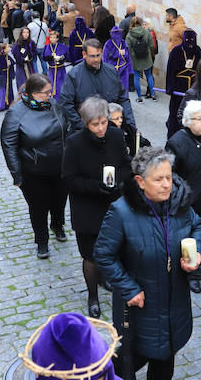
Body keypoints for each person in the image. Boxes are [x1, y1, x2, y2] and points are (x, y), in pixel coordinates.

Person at [94, 146, 201, 380]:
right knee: (130, 360)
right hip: (140, 308)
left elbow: (196, 225)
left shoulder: (179, 202)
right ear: (140, 182)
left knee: (165, 362)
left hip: (175, 303)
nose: (167, 185)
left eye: (169, 177)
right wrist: (129, 288)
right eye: (158, 179)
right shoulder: (121, 212)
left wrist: (196, 251)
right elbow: (103, 254)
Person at [62, 97, 132, 318]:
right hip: (87, 210)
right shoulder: (74, 143)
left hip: (114, 206)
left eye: (104, 122)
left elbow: (126, 165)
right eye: (95, 124)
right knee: (91, 255)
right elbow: (69, 178)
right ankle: (93, 295)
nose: (101, 128)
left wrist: (117, 182)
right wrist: (94, 186)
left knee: (115, 250)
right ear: (85, 123)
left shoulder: (116, 135)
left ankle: (108, 278)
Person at [0, 74, 68, 259]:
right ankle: (42, 240)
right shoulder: (16, 114)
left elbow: (67, 130)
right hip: (33, 172)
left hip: (60, 166)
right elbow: (9, 145)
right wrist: (17, 175)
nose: (50, 95)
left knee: (59, 200)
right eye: (45, 93)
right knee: (38, 207)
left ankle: (57, 224)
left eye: (50, 92)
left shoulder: (54, 105)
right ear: (33, 93)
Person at [165, 100, 201, 294]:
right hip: (187, 201)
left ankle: (195, 262)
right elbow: (170, 174)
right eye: (199, 119)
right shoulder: (177, 142)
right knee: (186, 236)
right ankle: (189, 273)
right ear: (188, 121)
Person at [59, 39, 136, 132]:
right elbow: (66, 104)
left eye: (98, 55)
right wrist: (81, 126)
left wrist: (131, 125)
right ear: (84, 54)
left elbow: (123, 99)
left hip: (111, 130)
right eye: (92, 56)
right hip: (85, 131)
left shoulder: (111, 71)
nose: (96, 59)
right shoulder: (74, 75)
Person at [165, 29, 201, 138]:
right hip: (178, 88)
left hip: (193, 87)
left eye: (192, 40)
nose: (189, 43)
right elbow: (170, 70)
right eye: (187, 40)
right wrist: (170, 87)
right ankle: (173, 136)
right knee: (175, 113)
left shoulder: (198, 51)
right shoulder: (176, 51)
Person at [125, 16, 156, 103]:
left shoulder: (129, 35)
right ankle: (153, 95)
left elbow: (128, 49)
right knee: (149, 76)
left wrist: (133, 56)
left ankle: (139, 97)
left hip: (135, 60)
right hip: (147, 58)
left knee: (136, 78)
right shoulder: (146, 32)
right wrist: (147, 53)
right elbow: (152, 46)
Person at [102, 26, 134, 93]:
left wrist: (130, 69)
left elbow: (128, 57)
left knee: (124, 88)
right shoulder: (108, 43)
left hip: (123, 69)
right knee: (112, 89)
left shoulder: (123, 43)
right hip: (111, 69)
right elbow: (105, 57)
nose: (116, 36)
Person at [41, 30, 69, 100]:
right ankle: (51, 98)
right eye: (51, 37)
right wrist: (50, 57)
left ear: (57, 38)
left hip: (60, 69)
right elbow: (44, 57)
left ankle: (61, 98)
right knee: (51, 84)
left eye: (53, 37)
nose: (52, 39)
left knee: (60, 84)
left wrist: (61, 58)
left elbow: (67, 56)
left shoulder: (62, 46)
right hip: (52, 69)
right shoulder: (47, 47)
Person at [13, 27, 38, 91]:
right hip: (21, 66)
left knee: (30, 81)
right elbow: (15, 53)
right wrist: (22, 59)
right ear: (21, 33)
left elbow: (35, 51)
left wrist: (30, 56)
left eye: (27, 32)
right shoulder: (18, 43)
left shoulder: (31, 42)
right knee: (22, 81)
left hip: (29, 65)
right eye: (24, 32)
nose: (26, 34)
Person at [0, 43, 16, 111]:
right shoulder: (0, 58)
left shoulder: (7, 56)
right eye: (8, 47)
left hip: (7, 75)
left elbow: (12, 64)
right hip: (1, 76)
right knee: (2, 90)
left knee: (9, 89)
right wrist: (7, 65)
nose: (9, 48)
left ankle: (8, 103)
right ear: (3, 50)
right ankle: (1, 104)